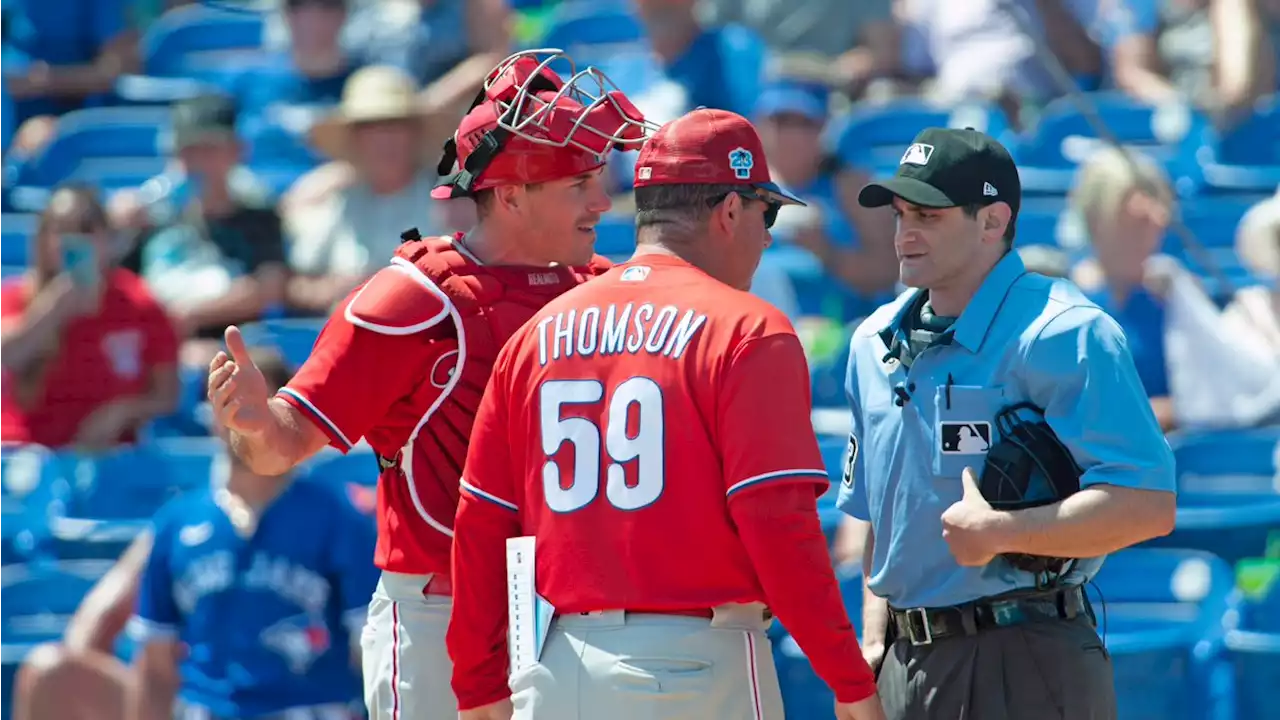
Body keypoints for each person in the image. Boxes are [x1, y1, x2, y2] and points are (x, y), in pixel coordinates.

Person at [205, 49, 653, 719]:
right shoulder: (414, 299)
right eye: (578, 183)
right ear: (509, 194)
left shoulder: (602, 294)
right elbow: (282, 447)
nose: (602, 201)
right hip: (436, 615)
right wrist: (255, 425)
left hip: (572, 609)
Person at [447, 107, 886, 720]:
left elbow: (482, 523)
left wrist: (475, 685)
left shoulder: (537, 333)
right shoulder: (748, 328)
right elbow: (776, 524)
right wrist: (849, 681)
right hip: (697, 666)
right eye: (768, 212)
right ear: (730, 211)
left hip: (557, 667)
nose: (767, 237)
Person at [836, 127, 1178, 719]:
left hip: (1023, 653)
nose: (903, 234)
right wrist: (873, 646)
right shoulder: (873, 342)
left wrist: (1002, 533)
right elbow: (879, 519)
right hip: (904, 660)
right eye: (898, 215)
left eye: (927, 215)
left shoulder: (1064, 331)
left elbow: (1148, 502)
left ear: (992, 221)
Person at [129, 347, 377, 720]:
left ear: (285, 418)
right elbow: (156, 667)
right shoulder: (175, 523)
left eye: (257, 404)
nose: (241, 418)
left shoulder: (340, 520)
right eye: (228, 401)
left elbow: (370, 657)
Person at [0, 183, 179, 449]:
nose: (71, 241)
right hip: (26, 453)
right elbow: (7, 356)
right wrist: (53, 309)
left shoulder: (139, 303)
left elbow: (167, 394)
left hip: (105, 457)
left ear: (106, 237)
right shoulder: (18, 297)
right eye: (60, 229)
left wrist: (122, 411)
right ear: (43, 239)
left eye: (85, 228)